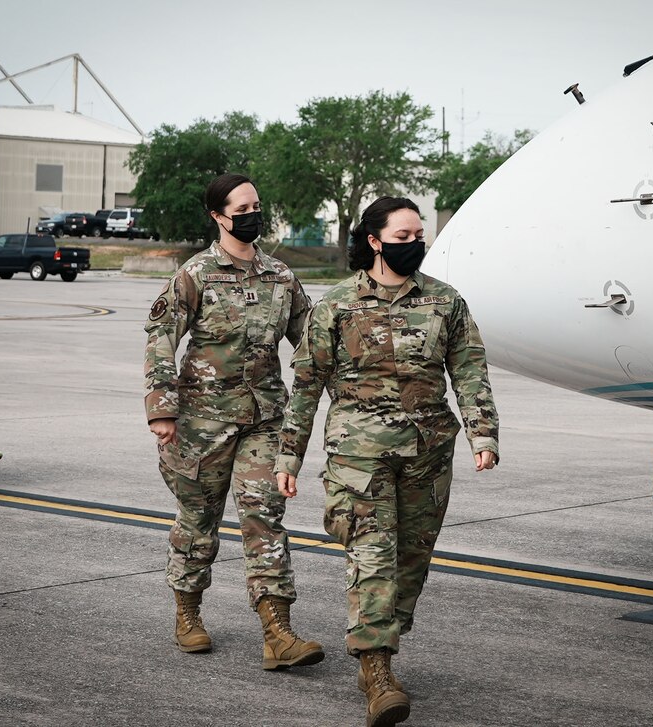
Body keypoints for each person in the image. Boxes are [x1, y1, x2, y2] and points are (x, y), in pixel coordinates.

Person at [274, 196, 499, 727]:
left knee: (410, 564)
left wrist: (482, 433)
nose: (413, 244)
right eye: (401, 237)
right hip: (359, 456)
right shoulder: (336, 306)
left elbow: (469, 370)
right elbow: (305, 387)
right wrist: (290, 454)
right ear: (373, 241)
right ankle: (376, 669)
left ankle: (382, 643)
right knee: (372, 557)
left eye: (418, 235)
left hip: (427, 454)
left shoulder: (446, 302)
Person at [143, 173, 324, 669]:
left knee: (264, 516)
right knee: (198, 522)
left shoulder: (281, 277)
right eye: (241, 208)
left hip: (264, 419)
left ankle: (277, 633)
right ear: (218, 216)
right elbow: (161, 338)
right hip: (201, 423)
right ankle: (187, 614)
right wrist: (162, 409)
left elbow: (312, 340)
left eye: (256, 206)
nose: (252, 215)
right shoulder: (195, 275)